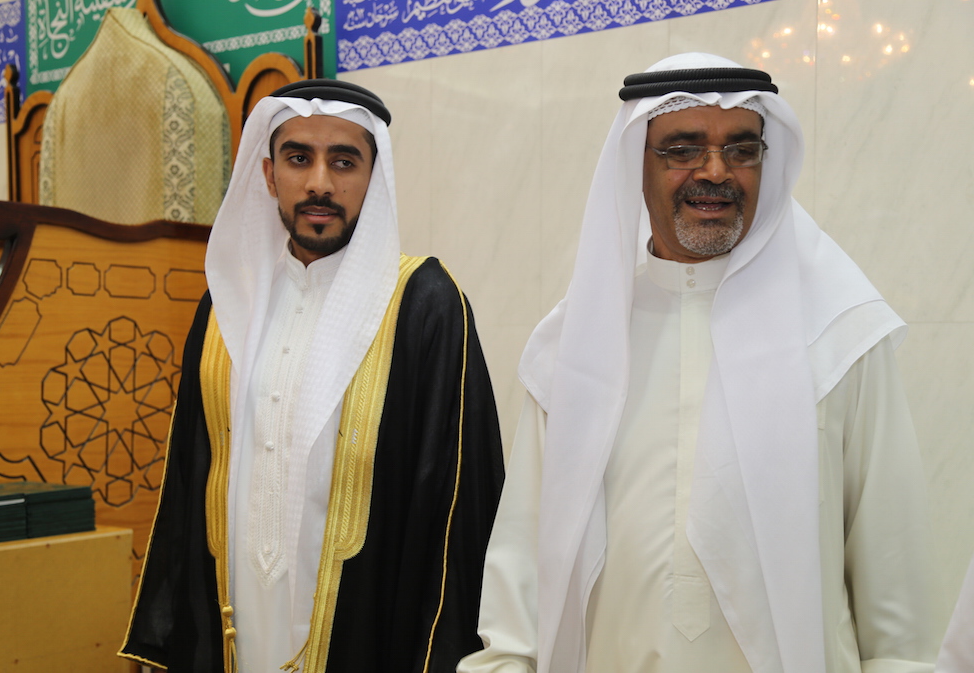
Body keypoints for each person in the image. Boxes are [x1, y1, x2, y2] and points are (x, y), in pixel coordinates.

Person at [457, 53, 938, 673]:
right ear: (635, 165)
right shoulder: (575, 346)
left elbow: (898, 600)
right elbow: (519, 583)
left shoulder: (838, 333)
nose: (715, 171)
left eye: (741, 149)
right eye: (683, 149)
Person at [119, 79, 504, 673]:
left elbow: (458, 508)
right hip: (238, 624)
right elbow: (189, 479)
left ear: (374, 178)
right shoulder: (228, 304)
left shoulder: (423, 303)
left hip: (368, 632)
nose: (320, 182)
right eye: (299, 158)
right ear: (269, 175)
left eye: (343, 161)